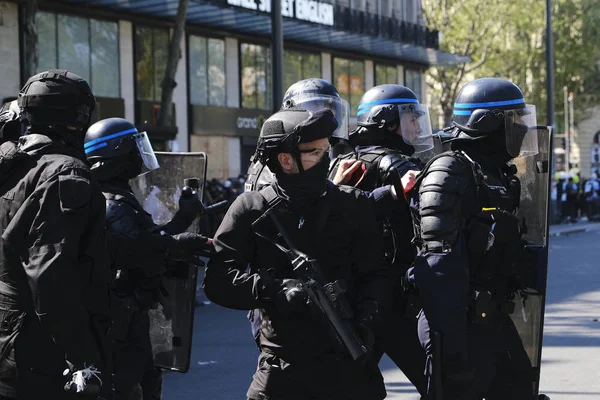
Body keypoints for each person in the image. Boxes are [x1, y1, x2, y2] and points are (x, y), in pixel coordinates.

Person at [204, 108, 392, 400]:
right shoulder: (250, 208)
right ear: (286, 160)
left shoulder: (353, 204)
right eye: (314, 153)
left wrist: (368, 320)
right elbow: (217, 281)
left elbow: (377, 274)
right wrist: (274, 290)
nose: (325, 158)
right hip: (282, 368)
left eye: (325, 149)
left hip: (347, 364)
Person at [408, 77, 541, 399]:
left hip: (491, 317)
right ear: (488, 122)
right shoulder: (449, 171)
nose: (523, 126)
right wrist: (453, 350)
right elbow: (437, 267)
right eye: (515, 118)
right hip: (455, 323)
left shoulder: (498, 173)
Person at [0, 69, 112, 399]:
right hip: (41, 350)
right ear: (76, 116)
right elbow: (50, 275)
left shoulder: (12, 162)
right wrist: (82, 359)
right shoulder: (65, 171)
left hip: (9, 336)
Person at [84, 117, 212, 400]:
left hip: (129, 317)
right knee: (127, 388)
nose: (139, 156)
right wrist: (180, 241)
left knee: (146, 379)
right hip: (118, 325)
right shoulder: (111, 207)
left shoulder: (116, 197)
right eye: (133, 149)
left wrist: (182, 221)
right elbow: (143, 250)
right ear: (116, 156)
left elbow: (146, 243)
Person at [328, 84, 433, 395]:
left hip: (356, 296)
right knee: (438, 381)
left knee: (353, 385)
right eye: (411, 119)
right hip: (397, 296)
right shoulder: (400, 165)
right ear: (388, 122)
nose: (416, 126)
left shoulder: (342, 162)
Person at [244, 78, 350, 192]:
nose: (326, 125)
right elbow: (290, 205)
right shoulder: (277, 162)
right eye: (318, 118)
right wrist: (333, 189)